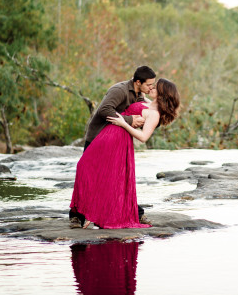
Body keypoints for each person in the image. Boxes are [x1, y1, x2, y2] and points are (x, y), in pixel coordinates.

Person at [69, 78, 180, 229]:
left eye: (156, 87)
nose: (152, 87)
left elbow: (143, 137)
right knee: (85, 167)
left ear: (163, 93)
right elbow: (132, 95)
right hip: (106, 135)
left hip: (119, 141)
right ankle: (87, 212)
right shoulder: (146, 101)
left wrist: (123, 123)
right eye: (151, 85)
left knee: (100, 173)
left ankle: (94, 214)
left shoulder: (155, 114)